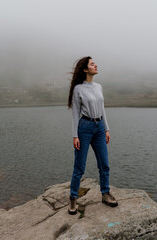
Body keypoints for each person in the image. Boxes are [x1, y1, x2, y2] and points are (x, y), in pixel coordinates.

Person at [67, 56, 118, 215]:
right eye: (92, 64)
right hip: (84, 128)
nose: (95, 65)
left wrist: (107, 129)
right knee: (79, 167)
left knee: (104, 164)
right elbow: (75, 113)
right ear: (85, 69)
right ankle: (73, 198)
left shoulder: (99, 87)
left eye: (94, 63)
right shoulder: (78, 89)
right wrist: (75, 135)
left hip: (100, 128)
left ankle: (105, 193)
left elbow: (102, 109)